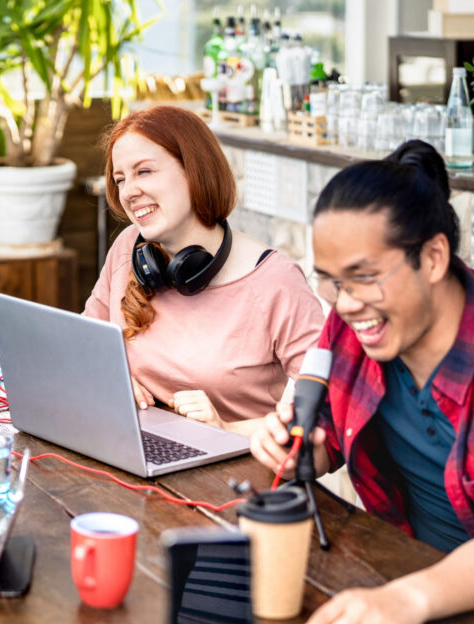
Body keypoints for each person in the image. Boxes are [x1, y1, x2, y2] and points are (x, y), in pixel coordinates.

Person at [250, 140, 474, 624]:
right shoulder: (354, 324)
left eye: (364, 278)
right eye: (330, 282)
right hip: (406, 586)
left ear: (434, 257)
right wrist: (301, 445)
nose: (345, 305)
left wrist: (409, 598)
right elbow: (324, 427)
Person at [84, 105, 324, 435]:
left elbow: (327, 415)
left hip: (232, 475)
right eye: (120, 179)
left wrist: (225, 427)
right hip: (130, 450)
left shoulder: (276, 281)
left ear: (194, 170)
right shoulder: (128, 247)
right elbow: (85, 345)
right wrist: (112, 373)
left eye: (145, 172)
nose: (128, 192)